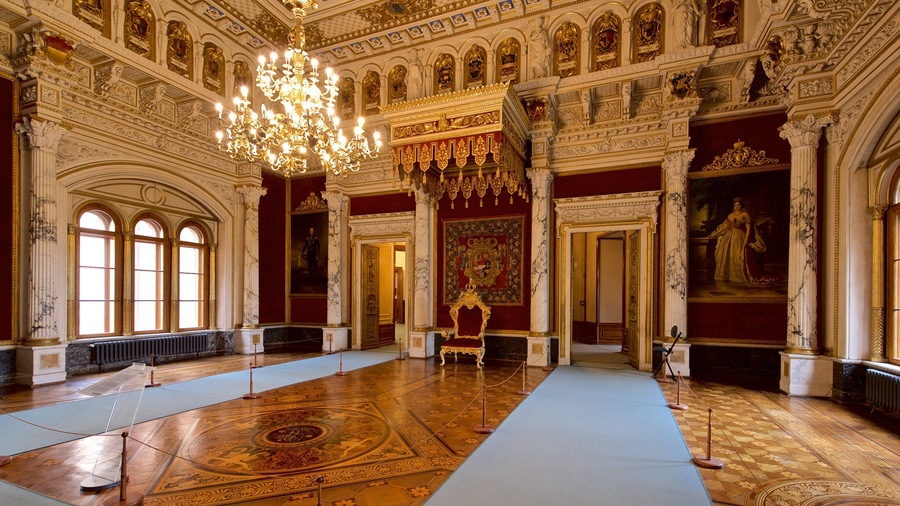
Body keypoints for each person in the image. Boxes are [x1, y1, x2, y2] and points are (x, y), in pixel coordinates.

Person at [707, 197, 772, 284]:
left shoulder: (745, 215)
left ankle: (739, 276)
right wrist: (713, 234)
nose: (737, 207)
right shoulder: (730, 215)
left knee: (738, 255)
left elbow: (748, 229)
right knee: (726, 254)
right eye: (735, 205)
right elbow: (725, 227)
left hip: (740, 236)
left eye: (739, 205)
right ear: (733, 206)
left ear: (742, 206)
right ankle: (729, 276)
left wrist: (745, 241)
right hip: (729, 237)